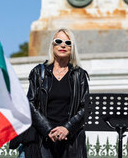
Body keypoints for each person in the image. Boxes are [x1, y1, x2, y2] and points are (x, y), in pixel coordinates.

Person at [27, 28, 89, 158]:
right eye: (59, 41)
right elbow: (30, 103)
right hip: (44, 139)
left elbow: (85, 107)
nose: (63, 45)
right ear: (52, 45)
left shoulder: (80, 75)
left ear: (72, 48)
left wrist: (67, 128)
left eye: (68, 42)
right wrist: (48, 130)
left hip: (71, 140)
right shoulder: (38, 72)